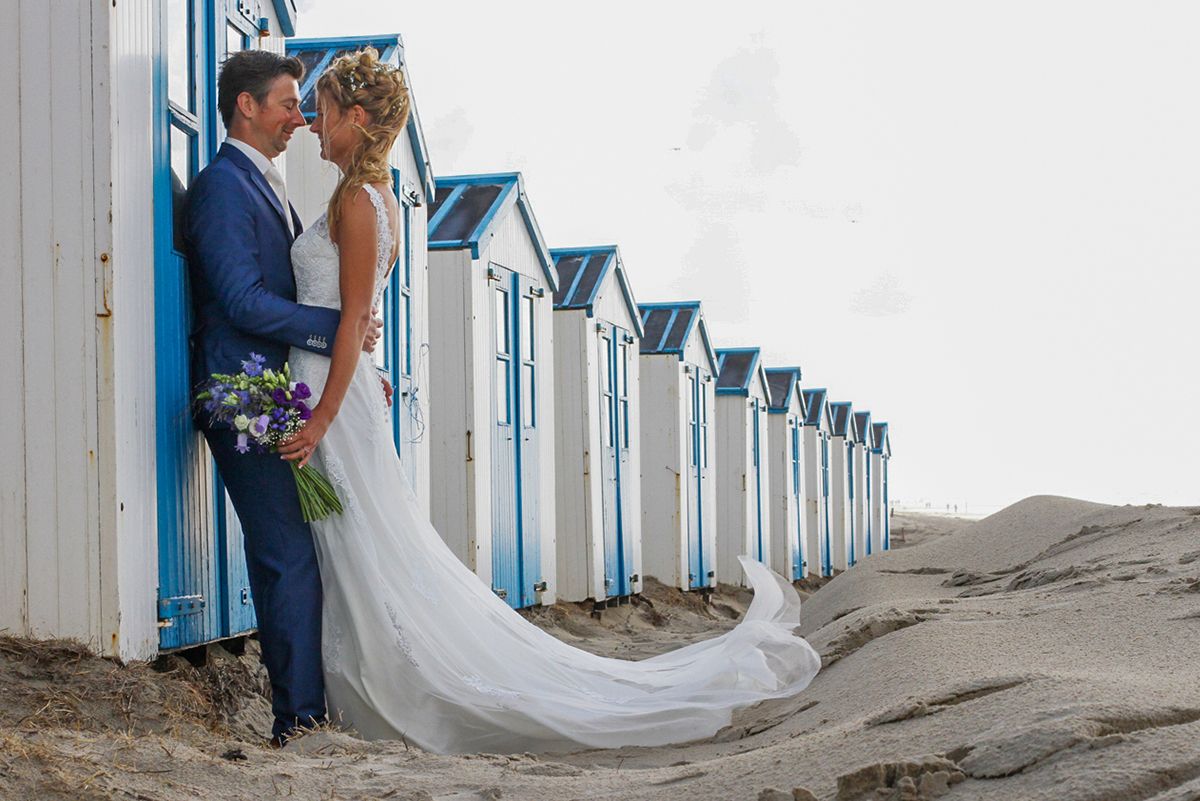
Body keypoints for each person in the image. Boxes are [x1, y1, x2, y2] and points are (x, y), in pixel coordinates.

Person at [275, 47, 821, 755]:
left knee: (366, 548)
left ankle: (386, 689)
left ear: (355, 116)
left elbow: (352, 318)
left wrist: (319, 419)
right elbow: (361, 315)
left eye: (320, 114)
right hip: (341, 391)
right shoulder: (379, 201)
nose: (314, 129)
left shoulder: (355, 200)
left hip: (331, 400)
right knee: (371, 547)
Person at [185, 49, 386, 746]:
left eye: (306, 107)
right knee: (287, 556)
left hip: (284, 400)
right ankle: (297, 721)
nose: (298, 118)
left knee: (307, 552)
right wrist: (340, 329)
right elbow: (240, 299)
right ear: (247, 106)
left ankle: (307, 707)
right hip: (244, 398)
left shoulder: (272, 187)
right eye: (286, 104)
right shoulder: (221, 188)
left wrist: (351, 338)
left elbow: (311, 288)